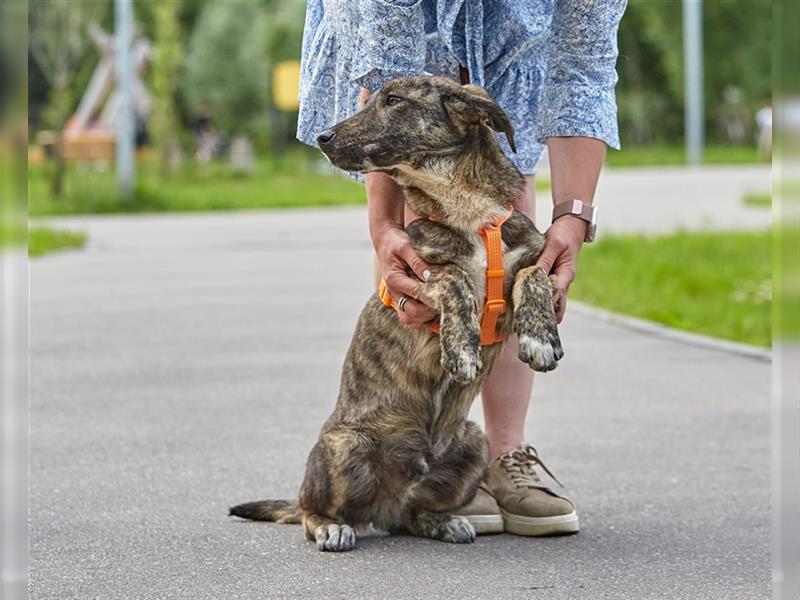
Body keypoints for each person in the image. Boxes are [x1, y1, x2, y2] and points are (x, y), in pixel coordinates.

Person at [296, 1, 626, 536]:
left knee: (508, 204)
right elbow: (388, 68)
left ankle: (504, 458)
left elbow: (581, 70)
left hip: (512, 45)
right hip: (399, 38)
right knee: (420, 241)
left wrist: (573, 219)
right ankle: (404, 467)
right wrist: (384, 230)